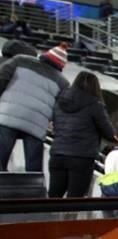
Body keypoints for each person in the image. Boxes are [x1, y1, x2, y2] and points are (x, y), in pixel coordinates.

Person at [0, 43, 69, 172]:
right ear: (61, 65)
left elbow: (2, 79)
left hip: (8, 116)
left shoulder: (20, 60)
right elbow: (60, 110)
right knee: (33, 167)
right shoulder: (63, 82)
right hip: (36, 125)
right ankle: (33, 189)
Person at [48, 71, 115, 198]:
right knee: (75, 199)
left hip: (57, 155)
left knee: (53, 197)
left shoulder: (60, 101)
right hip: (81, 157)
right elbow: (109, 133)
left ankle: (47, 218)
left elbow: (54, 125)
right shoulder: (95, 105)